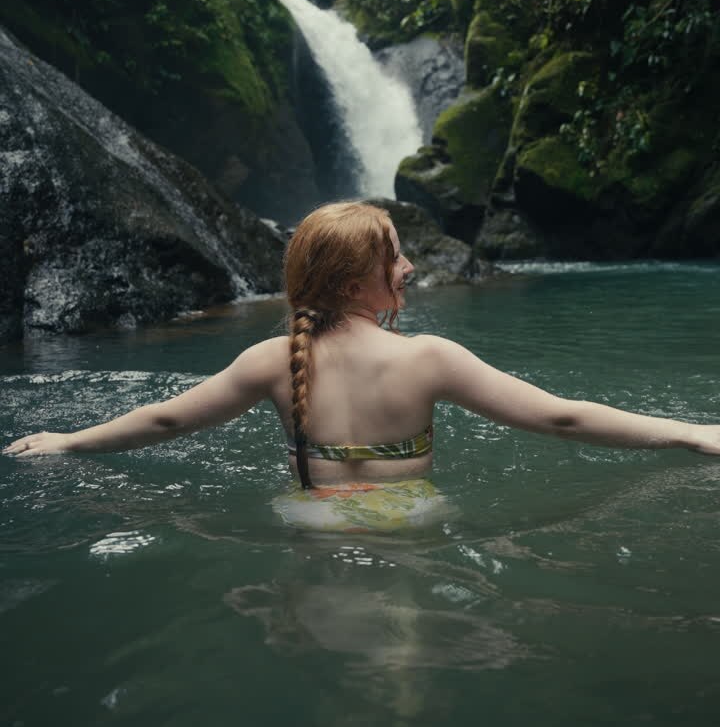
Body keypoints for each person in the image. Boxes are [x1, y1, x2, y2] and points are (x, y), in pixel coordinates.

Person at [4, 202, 720, 528]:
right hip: (411, 518)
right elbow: (561, 416)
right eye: (396, 257)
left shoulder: (271, 360)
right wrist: (690, 431)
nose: (410, 267)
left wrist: (68, 441)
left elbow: (165, 420)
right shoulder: (430, 359)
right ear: (356, 285)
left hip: (305, 518)